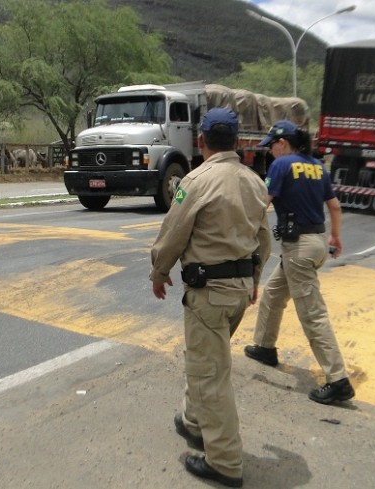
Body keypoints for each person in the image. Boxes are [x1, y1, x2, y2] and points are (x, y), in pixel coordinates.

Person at [150, 108, 271, 487]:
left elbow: (173, 233)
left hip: (209, 293)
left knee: (211, 373)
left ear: (201, 141)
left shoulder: (196, 181)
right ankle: (193, 421)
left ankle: (224, 460)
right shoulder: (255, 182)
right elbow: (263, 240)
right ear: (237, 142)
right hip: (237, 292)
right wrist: (253, 279)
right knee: (207, 360)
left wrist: (159, 270)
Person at [243, 120, 355, 405]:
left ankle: (338, 379)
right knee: (273, 294)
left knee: (313, 314)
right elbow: (334, 206)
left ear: (282, 143)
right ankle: (265, 347)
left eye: (270, 146)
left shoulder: (282, 166)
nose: (269, 152)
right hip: (316, 244)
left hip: (298, 250)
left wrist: (241, 233)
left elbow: (261, 203)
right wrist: (336, 237)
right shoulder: (318, 166)